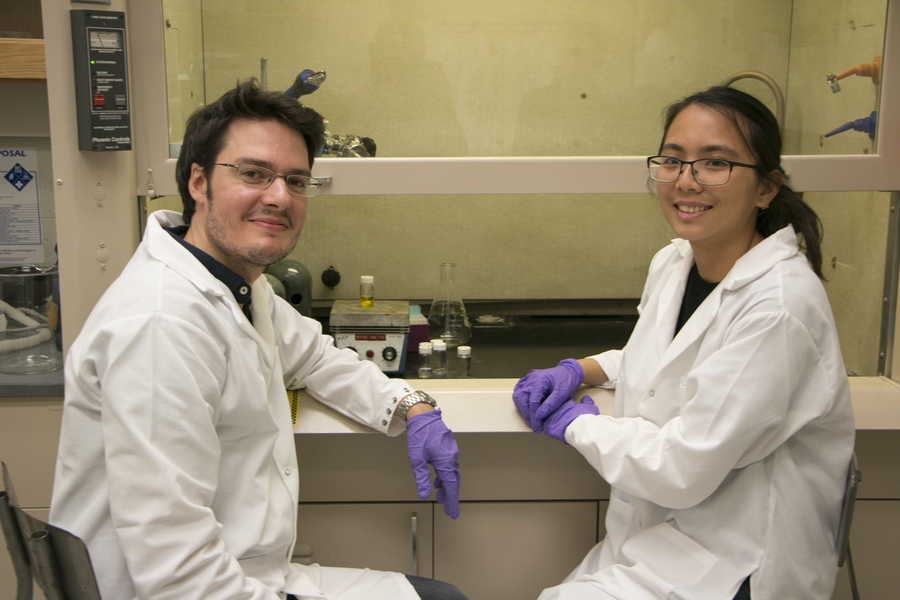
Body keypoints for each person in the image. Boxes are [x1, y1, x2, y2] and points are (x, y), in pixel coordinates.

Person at [49, 80, 467, 600]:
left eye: (296, 181)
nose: (278, 196)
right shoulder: (161, 326)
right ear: (199, 182)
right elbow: (176, 573)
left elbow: (315, 357)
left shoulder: (238, 284)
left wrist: (411, 404)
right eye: (253, 173)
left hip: (247, 574)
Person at [512, 86, 854, 600]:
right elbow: (671, 362)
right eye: (672, 161)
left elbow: (682, 464)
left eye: (715, 163)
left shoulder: (779, 306)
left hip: (737, 564)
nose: (685, 181)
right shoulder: (675, 262)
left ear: (766, 188)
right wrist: (584, 369)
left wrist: (578, 425)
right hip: (659, 541)